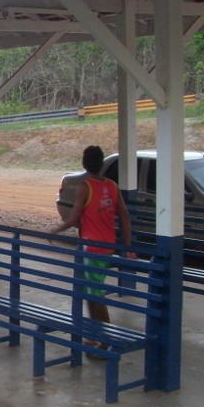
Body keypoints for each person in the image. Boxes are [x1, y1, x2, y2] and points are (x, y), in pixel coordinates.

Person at [51, 145, 135, 353]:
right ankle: (93, 333)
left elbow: (73, 219)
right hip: (108, 246)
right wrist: (128, 246)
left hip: (92, 248)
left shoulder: (85, 187)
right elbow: (124, 215)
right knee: (90, 291)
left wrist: (54, 230)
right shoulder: (112, 185)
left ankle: (106, 340)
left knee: (96, 295)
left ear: (84, 163)